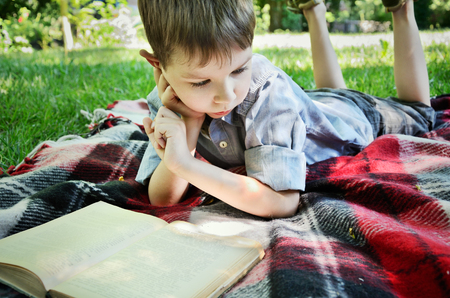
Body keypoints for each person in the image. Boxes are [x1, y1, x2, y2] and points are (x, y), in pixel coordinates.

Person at [135, 0, 434, 218]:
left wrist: (186, 166)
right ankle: (314, 9)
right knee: (330, 96)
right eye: (201, 82)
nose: (226, 96)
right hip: (316, 105)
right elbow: (161, 199)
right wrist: (187, 128)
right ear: (158, 67)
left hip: (353, 117)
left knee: (420, 112)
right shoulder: (170, 100)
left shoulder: (266, 91)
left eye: (239, 69)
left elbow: (282, 201)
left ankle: (401, 8)